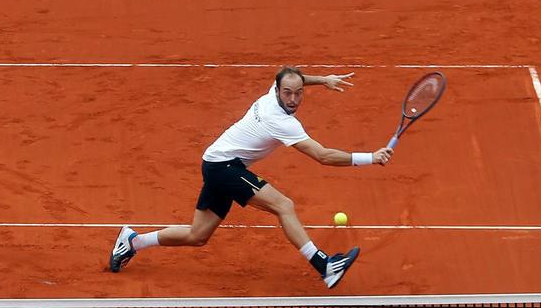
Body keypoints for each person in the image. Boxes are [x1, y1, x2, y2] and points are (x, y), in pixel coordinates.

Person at [109, 67, 393, 289]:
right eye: (288, 94)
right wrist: (371, 157)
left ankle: (132, 241)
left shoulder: (274, 90)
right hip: (224, 166)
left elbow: (296, 77)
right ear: (278, 91)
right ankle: (324, 266)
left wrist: (323, 80)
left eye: (297, 93)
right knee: (284, 205)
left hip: (214, 160)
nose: (293, 99)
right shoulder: (282, 122)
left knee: (198, 236)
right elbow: (323, 156)